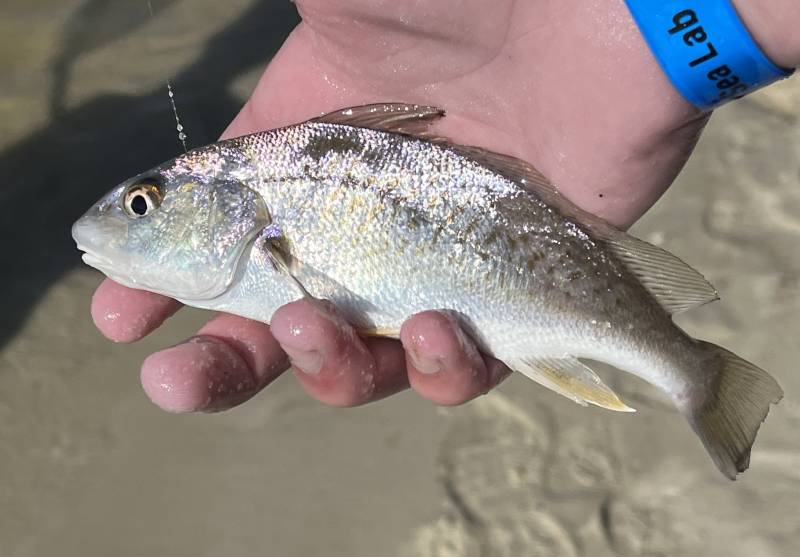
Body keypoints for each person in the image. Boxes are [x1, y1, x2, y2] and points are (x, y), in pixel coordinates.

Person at [88, 0, 799, 414]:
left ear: (230, 205)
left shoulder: (274, 186)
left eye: (144, 204)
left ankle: (691, 371)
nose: (123, 218)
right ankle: (688, 370)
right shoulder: (273, 188)